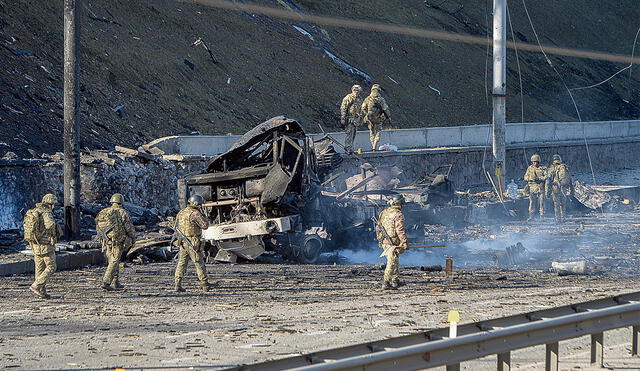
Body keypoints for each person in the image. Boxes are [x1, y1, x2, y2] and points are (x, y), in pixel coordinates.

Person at [23, 193, 62, 299]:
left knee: (39, 268)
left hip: (35, 244)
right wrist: (55, 229)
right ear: (51, 204)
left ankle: (41, 291)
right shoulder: (46, 212)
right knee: (51, 267)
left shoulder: (35, 211)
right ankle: (36, 286)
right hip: (46, 244)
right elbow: (49, 225)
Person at [95, 193, 136, 291]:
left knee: (113, 260)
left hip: (106, 240)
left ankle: (116, 281)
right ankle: (106, 281)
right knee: (114, 261)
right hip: (118, 240)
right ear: (121, 202)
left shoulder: (103, 212)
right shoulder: (122, 212)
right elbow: (128, 227)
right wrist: (133, 237)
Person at [173, 194, 212, 293]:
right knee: (199, 262)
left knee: (181, 263)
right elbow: (205, 226)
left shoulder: (181, 212)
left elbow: (175, 226)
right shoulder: (195, 213)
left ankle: (177, 284)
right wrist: (204, 216)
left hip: (182, 241)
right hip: (193, 242)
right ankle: (205, 284)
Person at [376, 194, 408, 290]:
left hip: (384, 240)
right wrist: (404, 242)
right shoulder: (398, 214)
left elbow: (378, 227)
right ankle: (386, 282)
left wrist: (379, 240)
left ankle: (395, 280)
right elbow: (400, 230)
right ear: (400, 203)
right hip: (392, 241)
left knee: (395, 259)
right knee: (392, 261)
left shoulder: (384, 212)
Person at [361, 84, 391, 151]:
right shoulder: (381, 99)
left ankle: (373, 146)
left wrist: (366, 114)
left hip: (370, 118)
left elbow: (363, 107)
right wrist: (388, 117)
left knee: (371, 132)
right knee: (378, 131)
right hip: (378, 118)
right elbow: (385, 108)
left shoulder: (367, 99)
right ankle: (374, 146)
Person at [546, 154, 573, 221]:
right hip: (563, 188)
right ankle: (563, 217)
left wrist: (547, 192)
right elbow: (570, 180)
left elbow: (548, 181)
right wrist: (572, 190)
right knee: (563, 204)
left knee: (556, 204)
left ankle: (558, 219)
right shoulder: (565, 168)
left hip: (555, 188)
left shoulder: (551, 169)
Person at [340, 84, 364, 153]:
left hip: (356, 119)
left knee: (353, 134)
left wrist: (361, 118)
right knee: (349, 134)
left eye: (358, 91)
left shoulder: (359, 98)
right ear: (353, 91)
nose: (356, 92)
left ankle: (350, 148)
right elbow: (343, 108)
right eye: (355, 91)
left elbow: (361, 109)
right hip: (349, 119)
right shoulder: (348, 98)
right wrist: (343, 118)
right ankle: (347, 148)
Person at [523, 154, 547, 221]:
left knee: (542, 202)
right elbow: (525, 177)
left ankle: (542, 216)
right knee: (531, 202)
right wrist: (530, 178)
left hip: (540, 187)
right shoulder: (530, 168)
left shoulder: (543, 168)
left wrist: (540, 179)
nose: (534, 163)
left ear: (538, 162)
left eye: (536, 161)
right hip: (532, 187)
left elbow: (547, 177)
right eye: (533, 162)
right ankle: (531, 216)